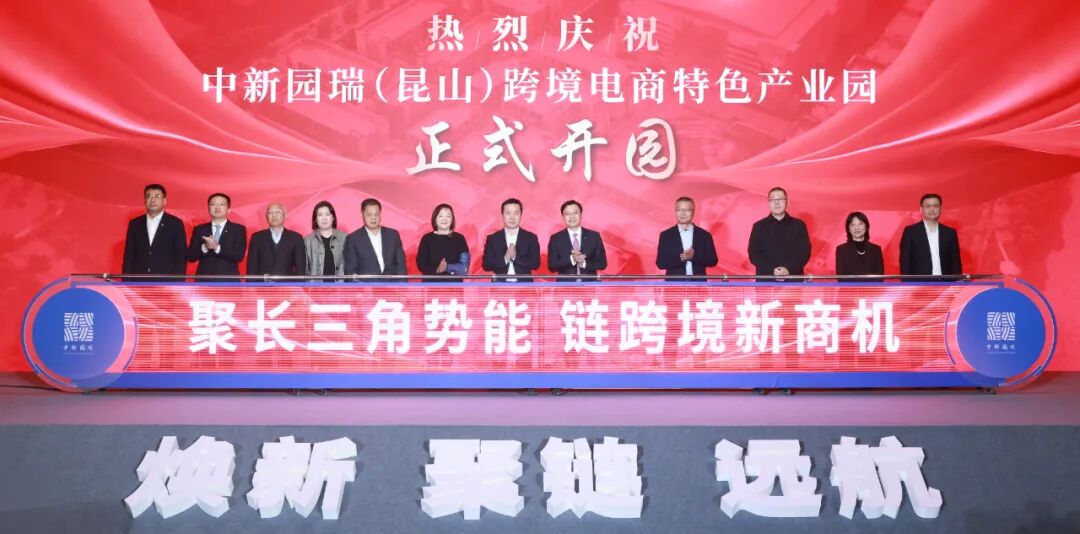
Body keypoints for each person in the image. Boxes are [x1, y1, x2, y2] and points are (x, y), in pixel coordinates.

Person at [122, 183, 187, 280]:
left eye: (157, 196)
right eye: (149, 196)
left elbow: (181, 256)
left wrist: (178, 282)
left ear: (164, 201)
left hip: (166, 281)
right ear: (145, 200)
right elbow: (129, 255)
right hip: (138, 280)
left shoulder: (175, 224)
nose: (152, 200)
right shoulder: (135, 224)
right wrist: (126, 280)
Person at [748, 187, 811, 277]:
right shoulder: (759, 226)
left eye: (780, 199)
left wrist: (789, 270)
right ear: (769, 203)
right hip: (766, 279)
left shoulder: (799, 225)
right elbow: (754, 254)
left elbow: (804, 252)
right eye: (773, 199)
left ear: (787, 202)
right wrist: (772, 270)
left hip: (793, 279)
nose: (776, 203)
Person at [900, 193, 962, 277]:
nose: (932, 209)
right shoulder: (910, 232)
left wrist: (957, 281)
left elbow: (955, 262)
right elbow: (905, 262)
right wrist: (907, 282)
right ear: (921, 209)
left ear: (940, 208)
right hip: (920, 282)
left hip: (945, 282)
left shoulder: (950, 233)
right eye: (928, 206)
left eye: (935, 206)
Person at [655, 197, 718, 279]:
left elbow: (713, 261)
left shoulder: (704, 235)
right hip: (674, 284)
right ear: (675, 212)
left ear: (693, 212)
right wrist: (681, 259)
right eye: (679, 210)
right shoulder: (666, 235)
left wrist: (694, 256)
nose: (682, 213)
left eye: (687, 210)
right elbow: (660, 263)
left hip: (698, 284)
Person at [343, 198, 407, 279]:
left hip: (392, 285)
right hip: (366, 286)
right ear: (362, 214)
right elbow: (350, 270)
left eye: (376, 214)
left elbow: (401, 265)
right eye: (369, 215)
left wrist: (401, 285)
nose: (373, 218)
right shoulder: (353, 239)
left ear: (380, 214)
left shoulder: (393, 235)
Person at [187, 192, 246, 277]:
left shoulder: (238, 229)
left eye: (221, 204)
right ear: (208, 209)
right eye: (213, 204)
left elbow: (239, 256)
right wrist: (204, 247)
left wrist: (217, 247)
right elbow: (191, 257)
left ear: (229, 210)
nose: (217, 207)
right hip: (204, 279)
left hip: (228, 280)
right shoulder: (200, 229)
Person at [482, 198, 540, 282]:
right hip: (499, 285)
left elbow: (535, 264)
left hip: (524, 286)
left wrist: (515, 258)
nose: (512, 217)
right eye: (508, 213)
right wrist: (505, 259)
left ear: (521, 215)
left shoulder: (531, 238)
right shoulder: (493, 239)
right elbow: (486, 265)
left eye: (516, 213)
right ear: (502, 215)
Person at [548, 200, 607, 281]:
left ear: (581, 215)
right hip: (565, 286)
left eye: (575, 213)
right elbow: (552, 266)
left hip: (589, 284)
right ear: (563, 217)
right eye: (567, 214)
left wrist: (585, 263)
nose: (571, 217)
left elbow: (602, 263)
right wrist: (572, 259)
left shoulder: (594, 236)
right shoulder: (556, 238)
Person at [246, 203, 305, 276]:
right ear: (266, 216)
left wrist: (298, 283)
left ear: (285, 215)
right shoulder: (256, 238)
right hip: (263, 283)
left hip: (287, 283)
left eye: (278, 212)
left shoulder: (296, 238)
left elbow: (300, 269)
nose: (274, 215)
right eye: (270, 212)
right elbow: (251, 268)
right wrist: (251, 283)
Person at [416, 203, 470, 282]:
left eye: (448, 216)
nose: (444, 219)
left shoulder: (459, 239)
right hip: (430, 284)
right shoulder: (427, 238)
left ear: (452, 219)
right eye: (440, 216)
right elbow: (421, 264)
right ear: (435, 218)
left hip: (454, 285)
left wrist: (447, 267)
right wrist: (437, 270)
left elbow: (464, 268)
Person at [304, 200, 347, 278]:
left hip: (340, 284)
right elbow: (305, 270)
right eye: (320, 215)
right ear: (315, 219)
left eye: (327, 214)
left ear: (333, 217)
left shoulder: (345, 238)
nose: (324, 218)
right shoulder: (307, 241)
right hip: (315, 285)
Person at [835, 211, 884, 278]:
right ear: (848, 229)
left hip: (872, 285)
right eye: (853, 225)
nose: (857, 228)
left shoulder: (876, 250)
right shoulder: (841, 250)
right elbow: (841, 278)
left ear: (866, 226)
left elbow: (880, 277)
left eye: (860, 224)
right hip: (850, 285)